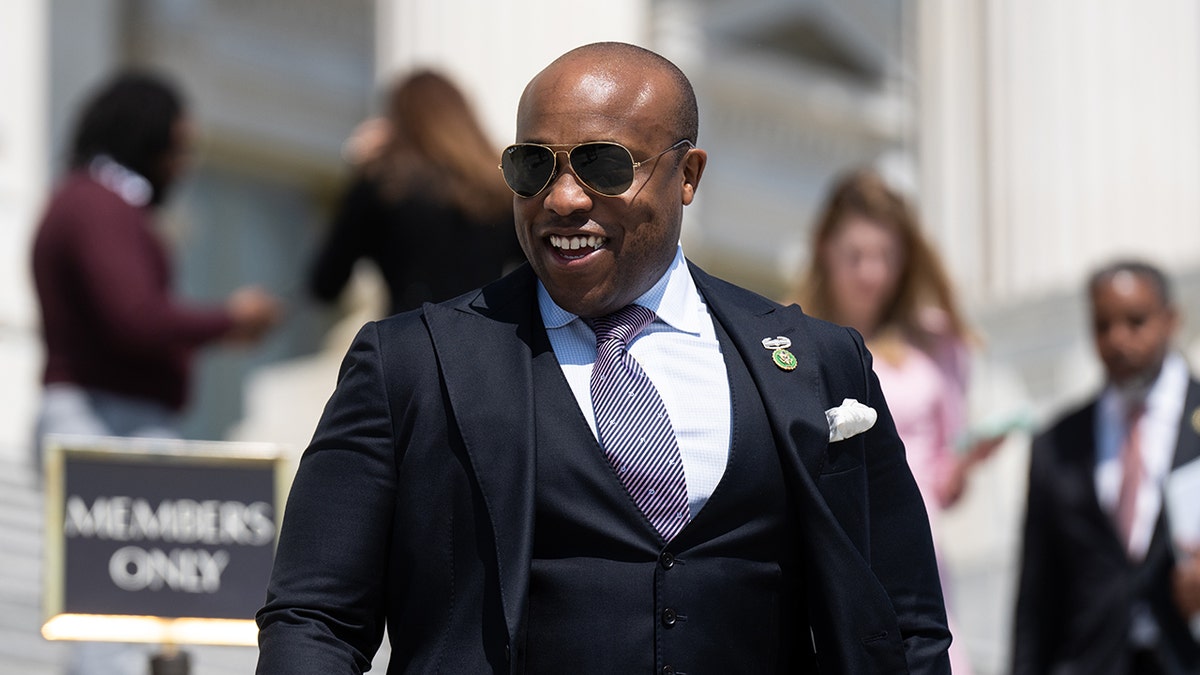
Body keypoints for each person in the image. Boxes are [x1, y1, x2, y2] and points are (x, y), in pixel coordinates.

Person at [257, 42, 951, 674]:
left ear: (688, 174)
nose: (562, 197)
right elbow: (313, 621)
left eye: (603, 164)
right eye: (534, 166)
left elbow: (907, 624)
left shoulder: (820, 363)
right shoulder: (409, 364)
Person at [30, 71, 282, 675]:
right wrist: (230, 320)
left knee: (128, 615)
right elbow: (134, 318)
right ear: (147, 139)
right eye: (178, 146)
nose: (184, 164)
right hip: (105, 424)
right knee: (112, 619)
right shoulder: (97, 205)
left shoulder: (90, 202)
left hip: (112, 419)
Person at [793, 168, 1004, 673]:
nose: (873, 274)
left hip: (917, 551)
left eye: (887, 257)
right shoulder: (787, 341)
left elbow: (941, 480)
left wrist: (963, 466)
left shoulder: (938, 344)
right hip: (833, 550)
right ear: (826, 250)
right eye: (857, 257)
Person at [1013, 260, 1200, 674]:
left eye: (1136, 322)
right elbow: (1037, 595)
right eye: (1103, 325)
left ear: (1171, 320)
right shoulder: (1058, 443)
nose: (1118, 340)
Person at [308, 70, 525, 316]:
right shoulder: (500, 189)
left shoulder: (385, 186)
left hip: (408, 337)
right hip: (482, 336)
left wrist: (360, 168)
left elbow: (326, 284)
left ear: (399, 120)